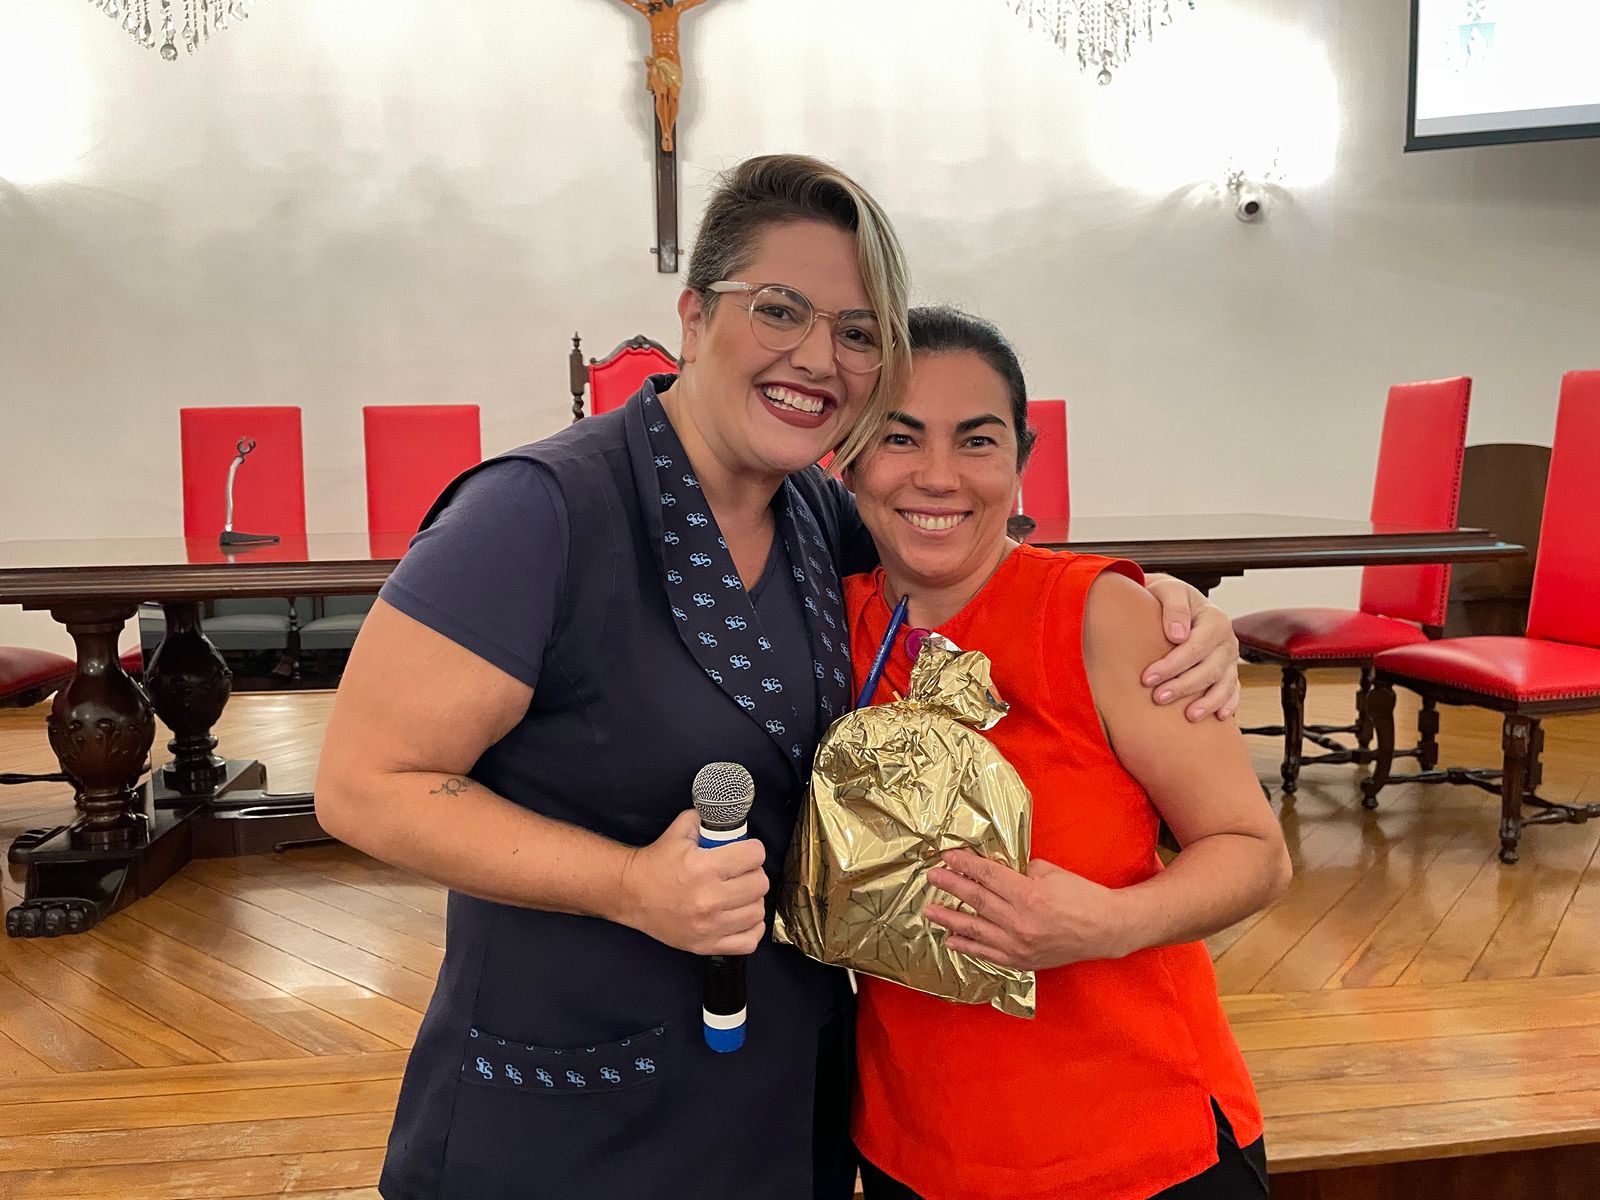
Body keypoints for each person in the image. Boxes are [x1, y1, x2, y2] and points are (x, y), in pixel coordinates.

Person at [314, 157, 1244, 1200]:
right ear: (693, 317)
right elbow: (362, 786)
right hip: (578, 1098)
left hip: (782, 1089)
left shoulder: (815, 516)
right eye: (780, 310)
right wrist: (625, 884)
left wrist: (1159, 605)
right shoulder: (538, 512)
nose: (817, 356)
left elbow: (964, 548)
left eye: (856, 333)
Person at [844, 307, 1293, 1200]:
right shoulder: (826, 621)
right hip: (909, 1147)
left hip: (1135, 1149)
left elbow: (1255, 854)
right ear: (849, 456)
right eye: (900, 437)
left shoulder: (1104, 618)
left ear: (1022, 457)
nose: (938, 475)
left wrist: (1107, 924)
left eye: (977, 440)